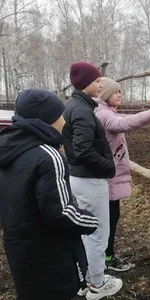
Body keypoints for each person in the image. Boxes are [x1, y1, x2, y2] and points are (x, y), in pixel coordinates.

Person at [0, 89, 99, 300]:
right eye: (60, 114)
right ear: (49, 119)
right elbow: (60, 212)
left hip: (19, 246)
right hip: (50, 253)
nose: (64, 119)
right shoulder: (49, 156)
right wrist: (90, 220)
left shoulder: (7, 150)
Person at [94, 77, 150, 271]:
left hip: (109, 174)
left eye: (120, 91)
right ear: (105, 95)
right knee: (109, 218)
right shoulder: (104, 114)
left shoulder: (103, 112)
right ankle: (107, 258)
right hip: (109, 176)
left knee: (110, 216)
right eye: (115, 92)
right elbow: (123, 124)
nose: (119, 95)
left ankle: (105, 255)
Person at [62, 62, 122, 300]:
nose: (100, 84)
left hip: (80, 178)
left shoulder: (74, 106)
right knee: (98, 232)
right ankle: (97, 285)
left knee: (88, 230)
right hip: (90, 180)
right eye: (97, 81)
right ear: (86, 82)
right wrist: (109, 167)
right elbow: (83, 149)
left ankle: (89, 278)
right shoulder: (84, 111)